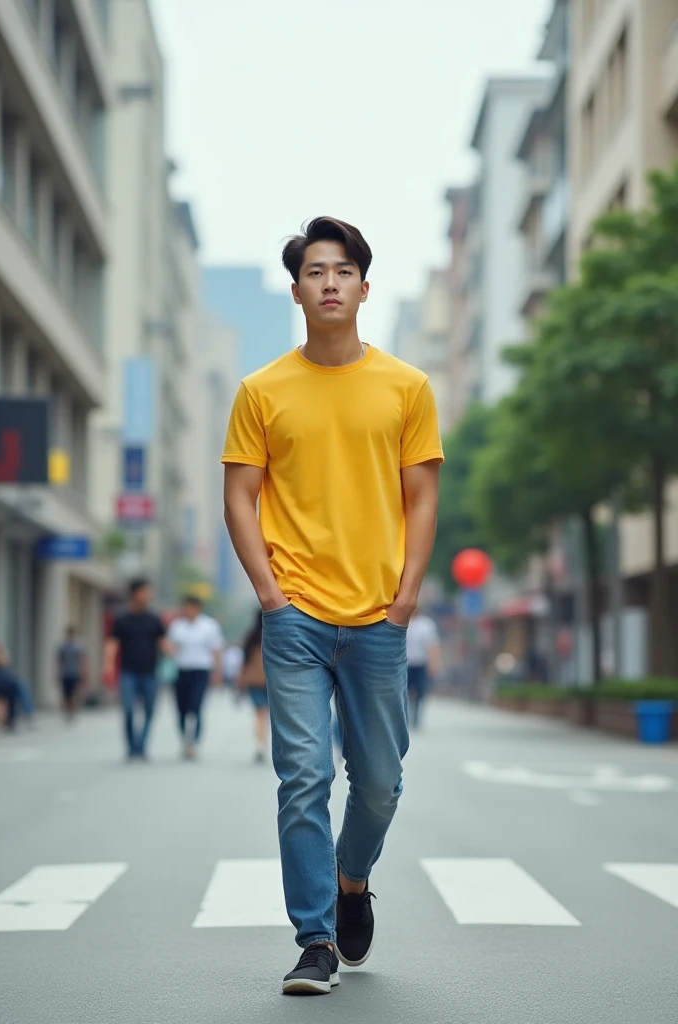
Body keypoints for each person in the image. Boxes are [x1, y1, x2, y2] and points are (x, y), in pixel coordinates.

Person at [222, 217, 443, 995]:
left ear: (363, 287)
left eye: (342, 270)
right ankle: (315, 939)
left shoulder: (407, 388)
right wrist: (271, 596)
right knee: (303, 776)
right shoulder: (262, 391)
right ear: (297, 290)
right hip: (297, 620)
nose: (329, 283)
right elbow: (241, 499)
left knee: (380, 780)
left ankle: (354, 881)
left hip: (380, 617)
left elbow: (421, 499)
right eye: (315, 271)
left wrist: (407, 594)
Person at [103, 578, 169, 761]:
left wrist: (173, 652)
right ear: (135, 594)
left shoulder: (154, 619)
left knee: (149, 710)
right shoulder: (122, 619)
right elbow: (112, 644)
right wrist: (108, 665)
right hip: (128, 673)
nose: (148, 595)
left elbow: (163, 642)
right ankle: (132, 746)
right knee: (129, 709)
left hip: (150, 672)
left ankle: (142, 746)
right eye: (145, 591)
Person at [168, 596, 224, 760]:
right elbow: (171, 648)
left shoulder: (209, 626)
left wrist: (217, 672)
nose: (188, 611)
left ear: (198, 608)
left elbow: (216, 650)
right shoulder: (177, 626)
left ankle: (194, 742)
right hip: (181, 670)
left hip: (201, 670)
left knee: (196, 706)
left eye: (191, 607)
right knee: (182, 709)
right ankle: (185, 739)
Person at [237, 610, 269, 763]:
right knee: (275, 716)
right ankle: (269, 745)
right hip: (273, 680)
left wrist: (241, 680)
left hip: (254, 680)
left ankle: (259, 745)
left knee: (259, 714)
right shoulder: (276, 633)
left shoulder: (250, 637)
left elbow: (244, 661)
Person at [406, 610, 441, 729]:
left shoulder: (426, 625)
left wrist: (433, 664)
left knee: (420, 691)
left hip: (421, 663)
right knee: (404, 691)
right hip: (404, 664)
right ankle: (405, 715)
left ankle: (416, 715)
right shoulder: (401, 621)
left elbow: (432, 646)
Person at [56, 626, 87, 721]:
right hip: (65, 673)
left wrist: (84, 673)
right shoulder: (62, 647)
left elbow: (82, 661)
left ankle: (72, 711)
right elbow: (58, 661)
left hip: (75, 673)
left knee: (74, 693)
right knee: (66, 694)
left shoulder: (78, 647)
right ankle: (67, 712)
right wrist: (57, 673)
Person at [0, 642, 20, 731]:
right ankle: (11, 719)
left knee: (17, 685)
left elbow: (5, 663)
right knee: (16, 685)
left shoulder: (2, 659)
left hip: (4, 683)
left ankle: (10, 720)